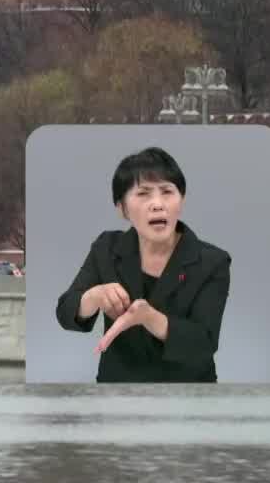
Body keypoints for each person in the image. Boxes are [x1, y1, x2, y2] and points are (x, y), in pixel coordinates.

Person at [55, 146, 232, 382]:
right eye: (143, 193)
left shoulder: (212, 261)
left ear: (182, 200)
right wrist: (94, 296)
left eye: (167, 192)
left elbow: (204, 343)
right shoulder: (107, 248)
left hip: (188, 397)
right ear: (122, 208)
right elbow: (65, 312)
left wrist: (149, 318)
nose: (157, 204)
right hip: (118, 396)